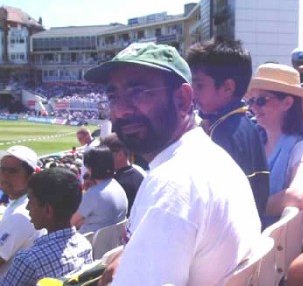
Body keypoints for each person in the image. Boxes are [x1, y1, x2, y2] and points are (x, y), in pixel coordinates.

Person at [84, 42, 261, 285]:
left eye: (138, 92)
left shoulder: (173, 182)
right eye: (113, 96)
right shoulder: (206, 157)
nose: (122, 110)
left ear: (183, 98)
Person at [186, 36, 269, 220]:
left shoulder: (220, 135)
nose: (192, 92)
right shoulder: (247, 125)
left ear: (227, 87)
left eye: (199, 85)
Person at [245, 63, 303, 228]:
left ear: (287, 103)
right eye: (252, 100)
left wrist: (245, 209)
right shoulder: (254, 138)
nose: (253, 107)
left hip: (267, 245)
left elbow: (300, 195)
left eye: (261, 100)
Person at [0, 167, 93, 286]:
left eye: (31, 202)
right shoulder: (85, 244)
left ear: (48, 210)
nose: (27, 207)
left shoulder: (28, 260)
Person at [0, 145, 45, 278]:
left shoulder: (22, 213)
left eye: (12, 171)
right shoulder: (23, 202)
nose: (4, 176)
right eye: (2, 169)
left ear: (30, 176)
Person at [71, 145, 128, 234]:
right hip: (113, 242)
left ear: (91, 168)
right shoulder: (118, 187)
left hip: (89, 243)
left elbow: (71, 223)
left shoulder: (93, 194)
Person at [100, 133, 146, 216]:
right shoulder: (138, 172)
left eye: (105, 155)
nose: (102, 159)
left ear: (120, 155)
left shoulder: (118, 183)